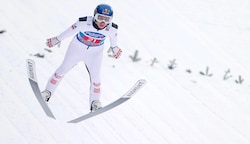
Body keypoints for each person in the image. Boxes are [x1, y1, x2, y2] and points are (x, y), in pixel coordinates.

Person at [41, 4, 122, 112]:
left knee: (96, 79)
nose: (103, 22)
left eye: (107, 19)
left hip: (95, 54)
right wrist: (57, 39)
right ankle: (47, 92)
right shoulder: (84, 23)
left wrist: (114, 48)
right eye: (100, 18)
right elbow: (69, 31)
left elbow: (113, 40)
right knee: (62, 70)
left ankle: (95, 102)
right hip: (76, 49)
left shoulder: (111, 29)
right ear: (94, 16)